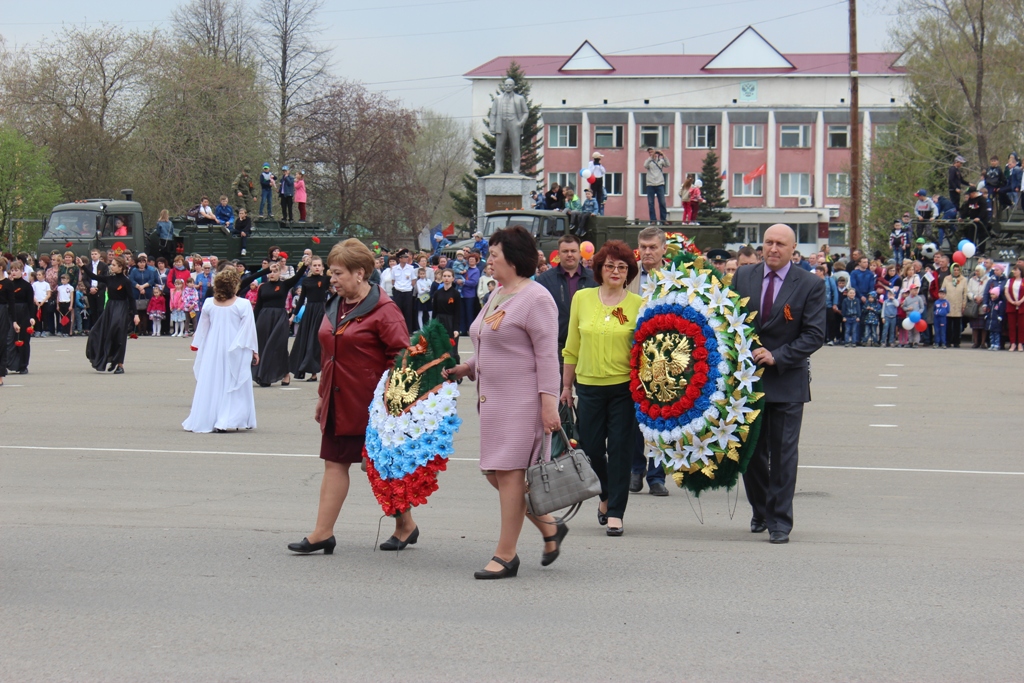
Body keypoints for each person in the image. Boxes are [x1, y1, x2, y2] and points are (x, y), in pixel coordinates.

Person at [442, 225, 564, 579]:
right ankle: (549, 526)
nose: (488, 260)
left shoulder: (536, 298)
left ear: (512, 257)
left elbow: (546, 357)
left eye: (493, 254)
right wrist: (467, 367)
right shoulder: (498, 293)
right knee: (495, 474)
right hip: (493, 403)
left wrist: (548, 403)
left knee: (509, 475)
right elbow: (490, 345)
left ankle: (505, 554)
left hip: (523, 403)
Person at [289, 238, 417, 555]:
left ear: (359, 273)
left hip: (373, 405)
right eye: (331, 273)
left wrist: (391, 406)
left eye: (338, 273)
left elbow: (402, 357)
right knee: (335, 463)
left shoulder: (385, 310)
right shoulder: (335, 304)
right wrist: (322, 396)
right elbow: (327, 353)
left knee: (381, 469)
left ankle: (405, 524)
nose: (332, 279)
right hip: (337, 400)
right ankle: (322, 533)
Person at [732, 224, 826, 544]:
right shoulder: (743, 277)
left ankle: (780, 522)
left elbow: (814, 334)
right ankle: (761, 509)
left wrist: (777, 356)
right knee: (752, 453)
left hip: (787, 379)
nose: (773, 248)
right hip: (749, 381)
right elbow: (728, 322)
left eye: (780, 244)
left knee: (784, 454)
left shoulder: (810, 284)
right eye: (768, 242)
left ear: (792, 249)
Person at [560, 239, 641, 536]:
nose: (615, 271)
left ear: (629, 271)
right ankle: (605, 494)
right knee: (590, 449)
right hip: (589, 387)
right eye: (609, 266)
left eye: (622, 267)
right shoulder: (582, 298)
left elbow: (642, 349)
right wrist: (566, 386)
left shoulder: (637, 304)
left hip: (624, 388)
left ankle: (617, 511)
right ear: (599, 268)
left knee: (620, 450)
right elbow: (572, 346)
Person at [183, 268, 259, 433]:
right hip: (235, 348)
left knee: (213, 381)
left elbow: (202, 328)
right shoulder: (243, 304)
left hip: (213, 348)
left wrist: (196, 344)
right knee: (233, 381)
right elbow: (248, 330)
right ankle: (230, 417)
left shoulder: (209, 303)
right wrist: (254, 350)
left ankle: (212, 417)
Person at [626, 226, 670, 496]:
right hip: (633, 355)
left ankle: (657, 475)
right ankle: (635, 469)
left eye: (653, 247)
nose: (647, 252)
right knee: (634, 419)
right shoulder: (629, 275)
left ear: (664, 248)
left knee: (660, 417)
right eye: (643, 246)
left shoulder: (675, 277)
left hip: (666, 357)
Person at [535, 234, 598, 364]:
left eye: (573, 251)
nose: (569, 254)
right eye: (565, 251)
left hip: (588, 345)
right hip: (556, 347)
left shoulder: (595, 279)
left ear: (580, 253)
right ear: (558, 254)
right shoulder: (544, 280)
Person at [79, 256, 140, 374]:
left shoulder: (126, 281)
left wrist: (135, 314)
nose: (111, 267)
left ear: (121, 267)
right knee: (96, 331)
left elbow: (131, 298)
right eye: (111, 264)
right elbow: (93, 276)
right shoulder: (109, 279)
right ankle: (110, 359)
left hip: (121, 308)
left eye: (114, 265)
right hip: (110, 308)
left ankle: (120, 365)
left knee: (118, 335)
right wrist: (82, 266)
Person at [253, 260, 307, 387]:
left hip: (279, 318)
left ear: (279, 273)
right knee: (263, 345)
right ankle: (264, 375)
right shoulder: (263, 287)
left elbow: (297, 277)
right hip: (264, 318)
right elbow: (258, 306)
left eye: (275, 272)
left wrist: (304, 265)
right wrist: (253, 323)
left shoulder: (284, 285)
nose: (272, 274)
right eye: (270, 272)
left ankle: (285, 373)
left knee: (278, 346)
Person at [289, 255, 329, 382]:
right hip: (310, 311)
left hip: (322, 311)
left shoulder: (327, 279)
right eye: (314, 265)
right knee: (309, 340)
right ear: (311, 267)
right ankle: (313, 373)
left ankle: (323, 370)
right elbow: (301, 299)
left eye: (319, 265)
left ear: (323, 267)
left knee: (319, 340)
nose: (317, 267)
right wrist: (293, 315)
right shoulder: (306, 281)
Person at [5, 260, 34, 375]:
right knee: (9, 339)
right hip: (10, 312)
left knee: (23, 339)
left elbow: (30, 303)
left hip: (23, 313)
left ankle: (23, 365)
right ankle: (9, 363)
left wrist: (32, 317)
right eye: (12, 270)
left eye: (16, 270)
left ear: (22, 271)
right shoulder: (8, 284)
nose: (14, 272)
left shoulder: (26, 286)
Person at [431, 269, 461, 349]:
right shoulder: (437, 293)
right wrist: (433, 325)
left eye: (449, 276)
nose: (446, 278)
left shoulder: (456, 294)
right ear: (441, 278)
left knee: (451, 347)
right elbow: (434, 311)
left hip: (450, 321)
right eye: (444, 276)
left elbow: (457, 312)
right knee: (438, 347)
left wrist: (456, 328)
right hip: (439, 320)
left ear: (453, 278)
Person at [389, 249, 417, 334]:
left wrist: (408, 287)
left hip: (407, 291)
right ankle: (398, 330)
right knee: (398, 311)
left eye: (407, 257)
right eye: (404, 257)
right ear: (400, 259)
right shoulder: (395, 269)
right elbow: (393, 281)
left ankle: (408, 330)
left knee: (408, 311)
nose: (406, 258)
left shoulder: (411, 268)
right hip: (398, 291)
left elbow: (413, 281)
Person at [941, 262, 968, 348]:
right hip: (948, 303)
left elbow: (965, 293)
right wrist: (943, 302)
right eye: (954, 270)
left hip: (958, 303)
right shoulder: (946, 278)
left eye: (957, 270)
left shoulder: (964, 279)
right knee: (948, 324)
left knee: (957, 325)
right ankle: (948, 341)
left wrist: (964, 304)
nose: (956, 271)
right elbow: (943, 290)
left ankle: (956, 341)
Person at [644, 147, 669, 225]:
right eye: (650, 152)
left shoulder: (660, 161)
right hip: (650, 184)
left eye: (652, 152)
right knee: (651, 203)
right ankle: (653, 220)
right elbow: (645, 165)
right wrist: (650, 158)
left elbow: (668, 164)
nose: (651, 153)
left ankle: (663, 219)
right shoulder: (649, 162)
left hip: (659, 184)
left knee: (662, 202)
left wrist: (663, 155)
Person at [1004, 264, 1024, 351]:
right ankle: (1012, 343)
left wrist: (1020, 301)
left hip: (1022, 306)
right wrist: (1012, 301)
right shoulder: (1010, 281)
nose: (1014, 272)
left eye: (1016, 270)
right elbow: (1006, 292)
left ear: (1020, 271)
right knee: (1011, 326)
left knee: (1021, 326)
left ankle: (1020, 344)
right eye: (1013, 270)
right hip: (1011, 306)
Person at [462, 252, 482, 335]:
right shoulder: (464, 268)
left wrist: (463, 282)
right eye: (470, 260)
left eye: (473, 260)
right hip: (461, 294)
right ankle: (462, 330)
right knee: (462, 313)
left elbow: (473, 283)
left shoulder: (476, 271)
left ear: (476, 261)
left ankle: (470, 330)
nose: (471, 261)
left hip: (470, 295)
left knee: (469, 313)